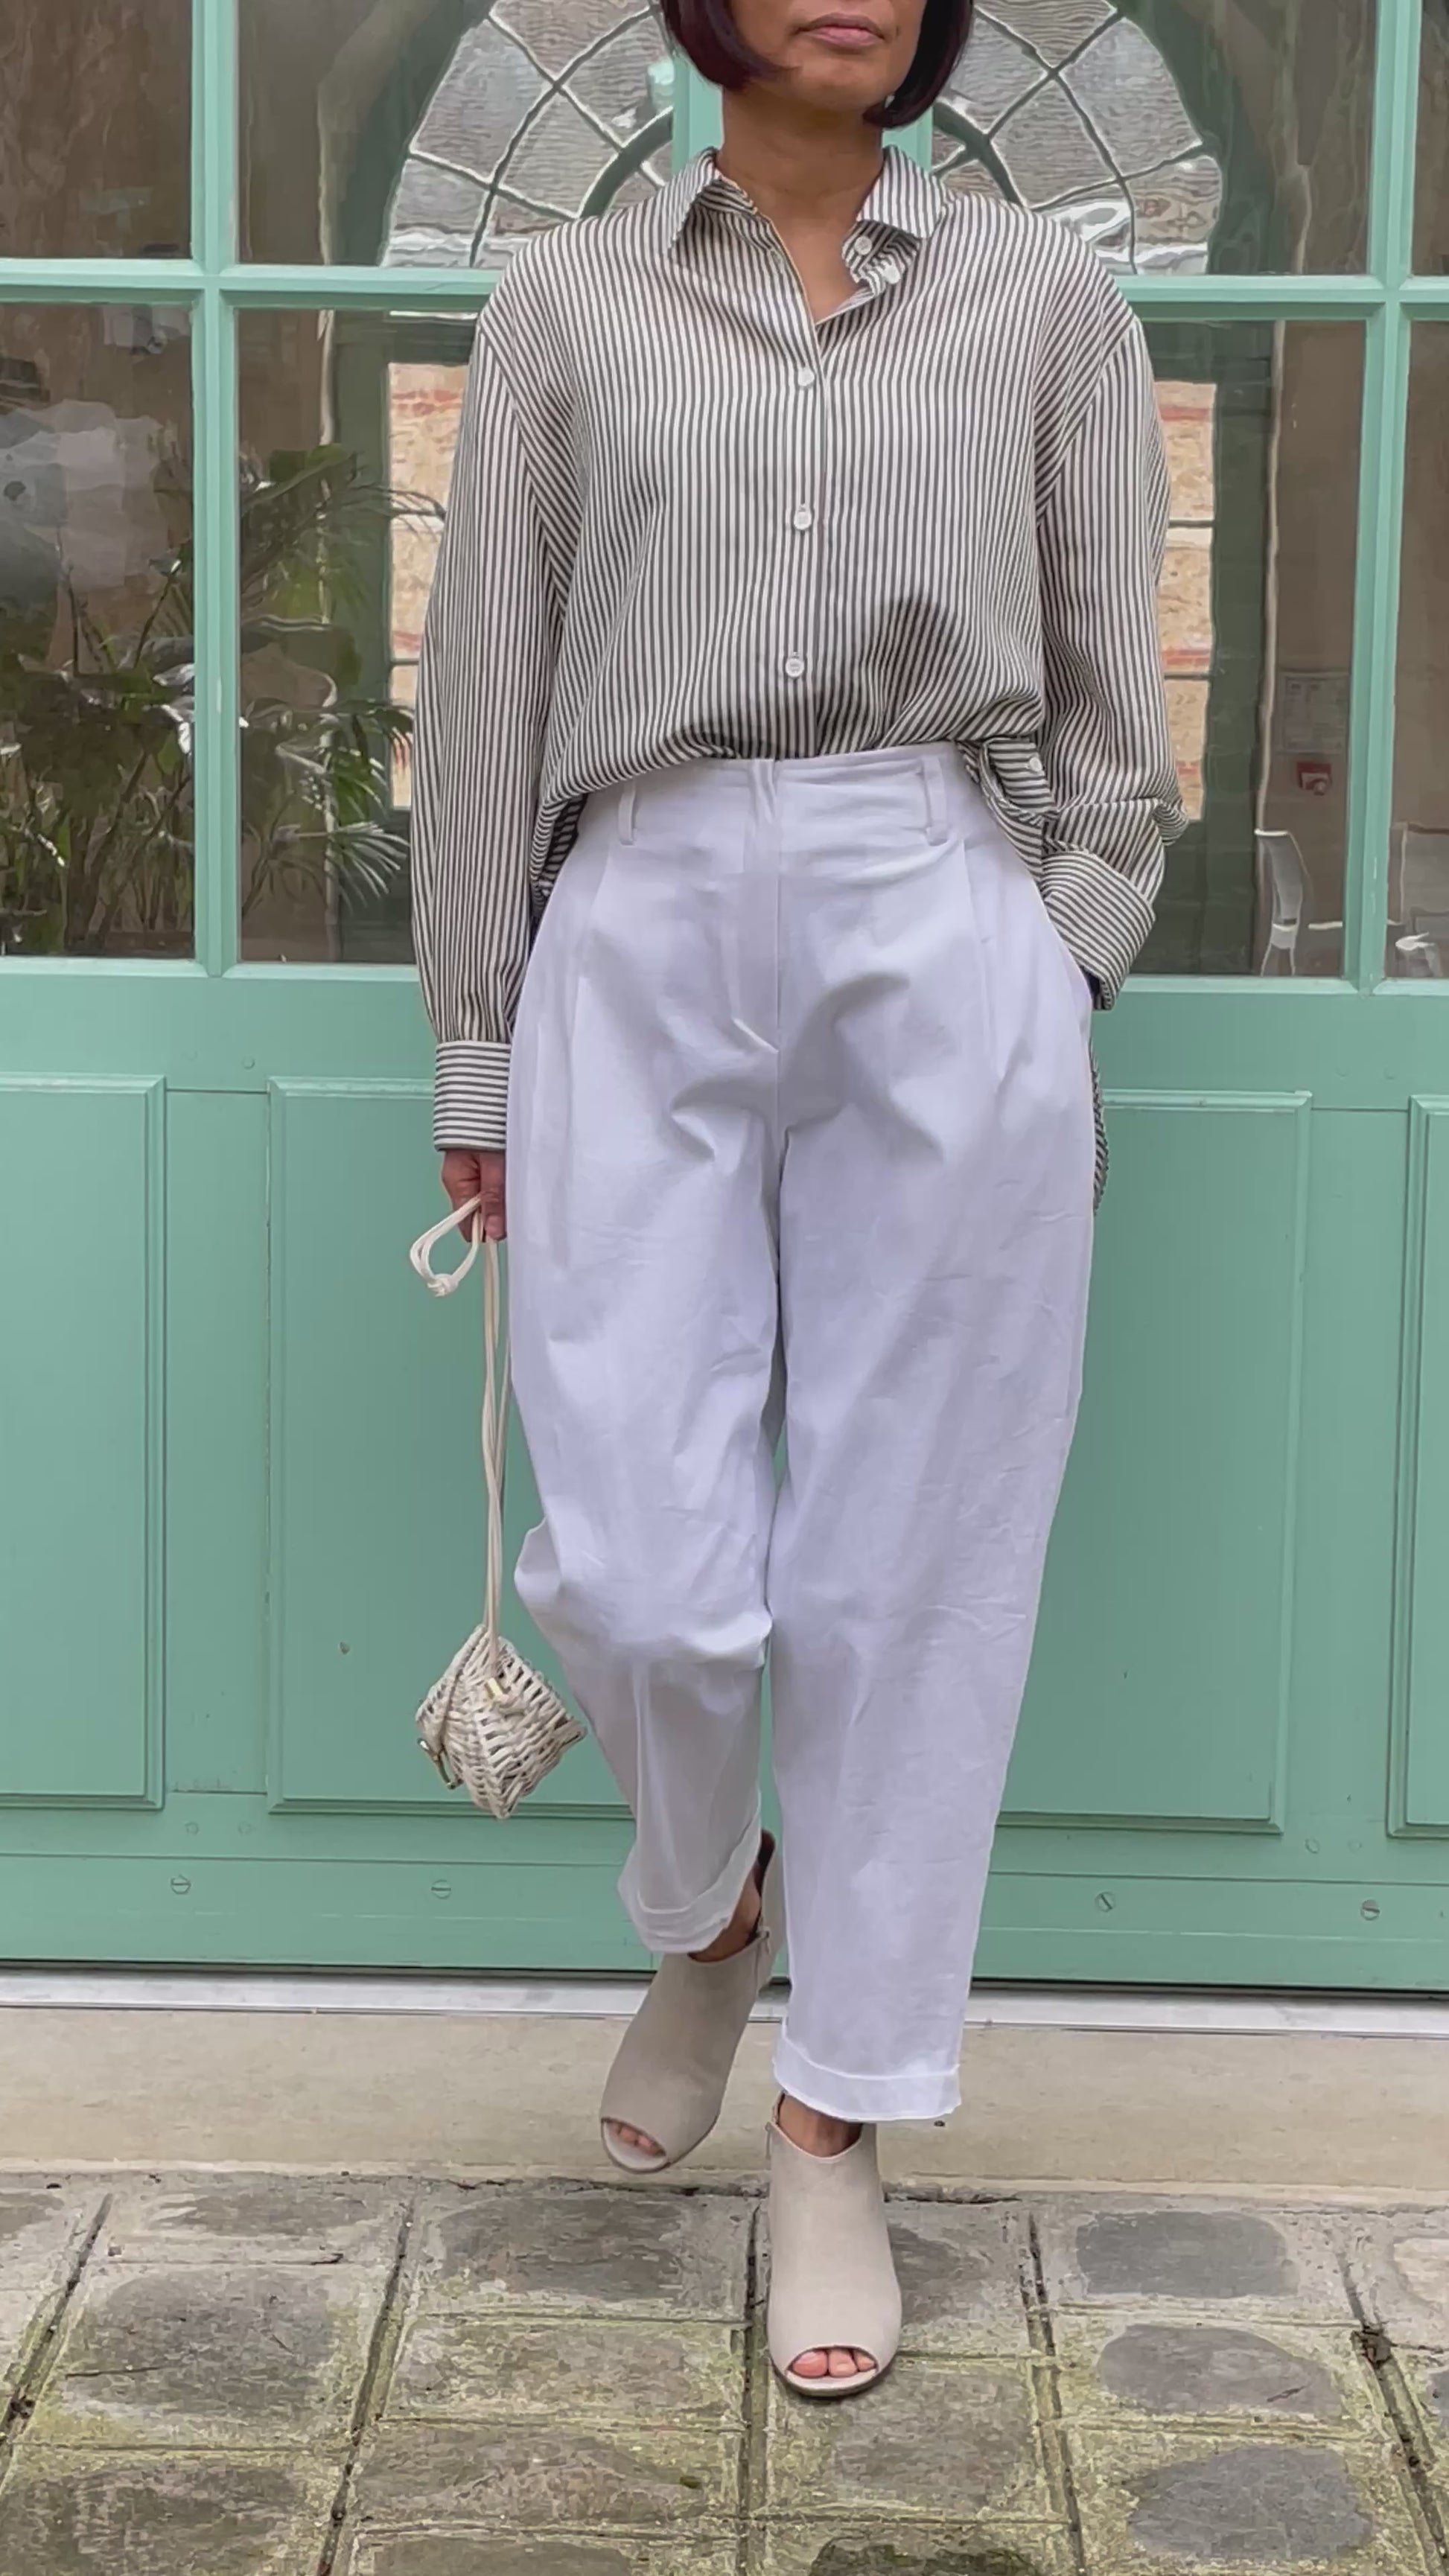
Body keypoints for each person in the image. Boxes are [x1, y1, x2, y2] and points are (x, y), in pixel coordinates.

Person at [410, 0, 1184, 2399]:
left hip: (934, 891)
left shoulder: (1044, 298)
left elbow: (1109, 687)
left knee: (908, 1558)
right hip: (636, 901)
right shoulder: (565, 304)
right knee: (642, 1564)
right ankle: (708, 1901)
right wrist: (478, 1040)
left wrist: (1055, 955)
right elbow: (487, 691)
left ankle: (838, 2117)